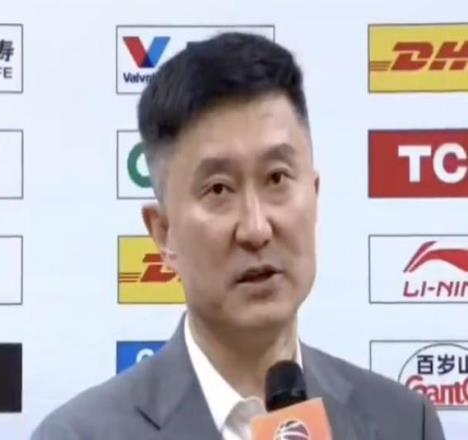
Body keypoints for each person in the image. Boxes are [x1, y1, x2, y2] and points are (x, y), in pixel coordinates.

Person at [31, 32, 445, 439]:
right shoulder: (78, 434)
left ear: (314, 196)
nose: (256, 228)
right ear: (164, 234)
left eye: (277, 178)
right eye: (218, 190)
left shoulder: (405, 423)